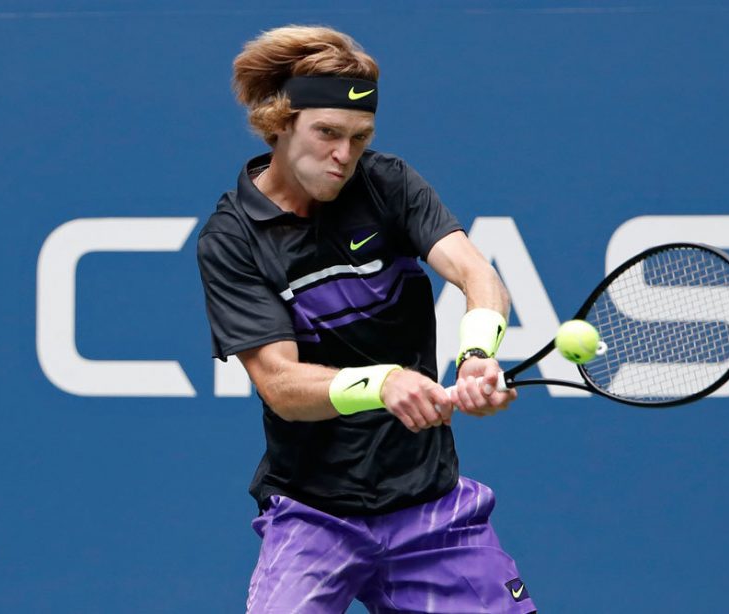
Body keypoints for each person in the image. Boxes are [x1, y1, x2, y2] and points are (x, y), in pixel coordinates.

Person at [197, 25, 536, 613]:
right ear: (280, 121)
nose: (344, 156)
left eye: (359, 137)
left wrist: (478, 354)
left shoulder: (387, 183)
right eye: (327, 133)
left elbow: (477, 275)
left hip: (432, 510)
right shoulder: (233, 239)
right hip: (314, 515)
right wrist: (383, 382)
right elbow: (281, 386)